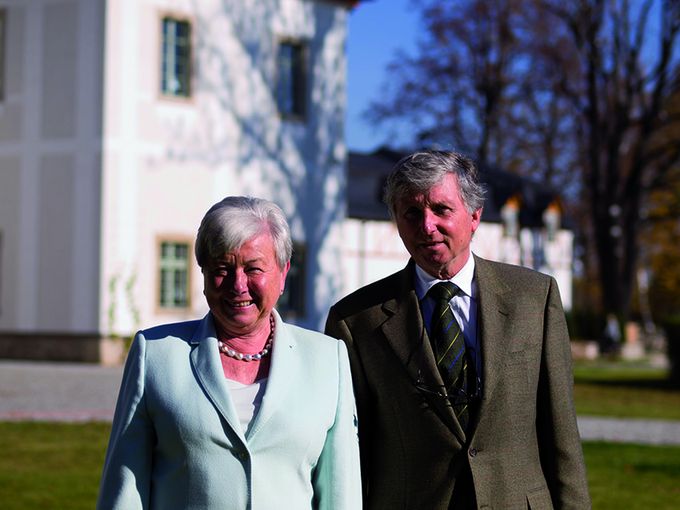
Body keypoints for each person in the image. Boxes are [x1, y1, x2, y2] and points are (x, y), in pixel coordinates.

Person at [325, 150, 591, 509]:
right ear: (396, 221)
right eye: (412, 213)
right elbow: (349, 453)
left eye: (441, 209)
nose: (427, 226)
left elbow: (561, 434)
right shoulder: (356, 321)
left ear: (475, 215)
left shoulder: (535, 299)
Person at [98, 196, 361, 510]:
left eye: (253, 269)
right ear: (204, 275)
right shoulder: (155, 354)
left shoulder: (327, 360)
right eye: (222, 268)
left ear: (283, 272)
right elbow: (124, 491)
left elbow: (340, 495)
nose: (238, 285)